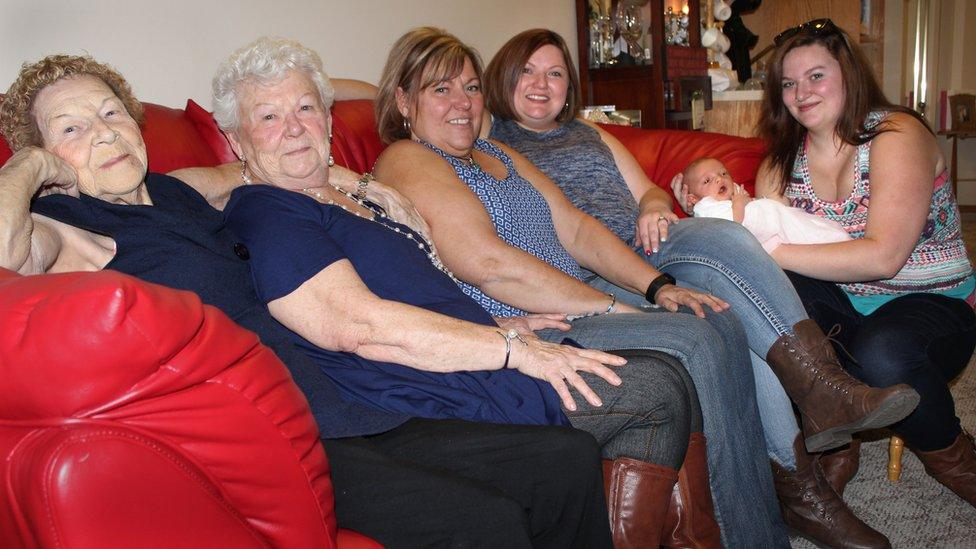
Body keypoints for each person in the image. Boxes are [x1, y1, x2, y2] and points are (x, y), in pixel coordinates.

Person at [0, 54, 614, 548]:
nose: (104, 133)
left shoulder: (172, 193)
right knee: (484, 522)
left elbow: (255, 168)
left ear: (137, 126)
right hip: (275, 439)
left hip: (343, 403)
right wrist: (28, 164)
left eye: (111, 113)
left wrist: (353, 178)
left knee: (566, 461)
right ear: (51, 156)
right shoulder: (66, 228)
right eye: (72, 129)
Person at [212, 36, 708, 549]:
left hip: (473, 348)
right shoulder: (271, 212)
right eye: (268, 117)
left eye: (306, 108)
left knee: (660, 377)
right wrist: (512, 351)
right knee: (656, 388)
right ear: (235, 139)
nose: (293, 127)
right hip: (424, 382)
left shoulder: (352, 194)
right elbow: (355, 325)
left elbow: (420, 290)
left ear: (328, 118)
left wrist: (497, 325)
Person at [482, 28, 917, 547]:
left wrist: (652, 208)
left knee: (725, 232)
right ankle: (803, 487)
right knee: (726, 315)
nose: (541, 84)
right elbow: (421, 103)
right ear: (501, 78)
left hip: (651, 246)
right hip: (595, 271)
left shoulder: (590, 131)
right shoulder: (489, 135)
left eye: (554, 73)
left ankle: (821, 388)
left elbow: (646, 188)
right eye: (527, 71)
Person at [372, 26, 796, 548]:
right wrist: (614, 307)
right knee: (699, 340)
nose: (462, 102)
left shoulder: (495, 153)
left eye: (470, 87)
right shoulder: (409, 158)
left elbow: (575, 227)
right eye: (441, 89)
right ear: (403, 100)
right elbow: (487, 265)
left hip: (575, 302)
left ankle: (752, 524)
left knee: (715, 318)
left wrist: (659, 285)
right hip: (529, 329)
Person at [755, 18, 976, 511]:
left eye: (816, 76)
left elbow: (883, 255)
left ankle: (957, 460)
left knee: (880, 353)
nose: (801, 92)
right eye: (788, 83)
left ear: (849, 76)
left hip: (928, 304)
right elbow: (758, 254)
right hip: (837, 321)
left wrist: (768, 253)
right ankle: (837, 433)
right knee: (769, 287)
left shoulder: (896, 134)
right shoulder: (778, 164)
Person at [679, 156, 850, 252]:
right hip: (774, 227)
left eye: (723, 173)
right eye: (707, 180)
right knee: (808, 232)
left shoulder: (725, 198)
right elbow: (731, 228)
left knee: (807, 224)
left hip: (777, 217)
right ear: (693, 198)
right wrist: (739, 203)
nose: (719, 178)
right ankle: (840, 244)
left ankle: (839, 241)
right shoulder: (706, 207)